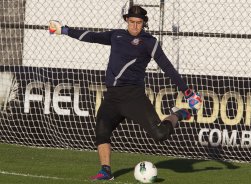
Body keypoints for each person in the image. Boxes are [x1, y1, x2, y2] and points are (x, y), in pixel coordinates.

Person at [49, 5, 202, 181]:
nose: (135, 26)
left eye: (138, 22)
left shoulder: (150, 42)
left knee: (160, 135)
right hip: (113, 97)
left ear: (144, 23)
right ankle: (106, 171)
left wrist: (188, 92)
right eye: (131, 22)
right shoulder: (116, 36)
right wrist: (64, 30)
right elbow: (91, 36)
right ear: (126, 21)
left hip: (133, 97)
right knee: (101, 131)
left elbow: (167, 67)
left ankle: (177, 114)